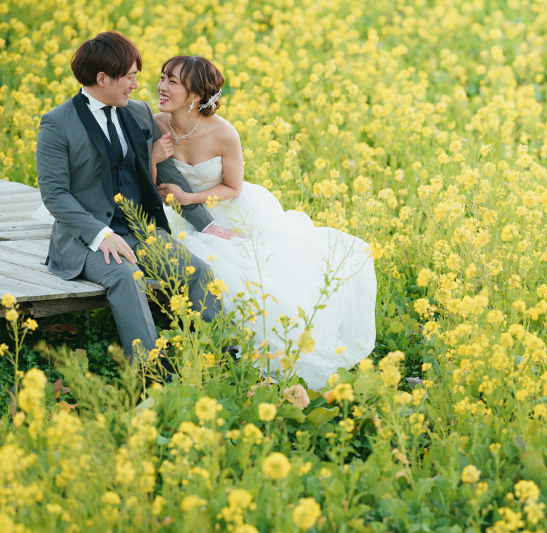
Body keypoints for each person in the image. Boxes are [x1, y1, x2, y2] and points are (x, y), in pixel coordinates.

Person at [153, 55, 377, 390]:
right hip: (177, 212)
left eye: (172, 81)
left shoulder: (224, 133)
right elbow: (150, 179)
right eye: (162, 77)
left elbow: (233, 187)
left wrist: (189, 199)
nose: (161, 86)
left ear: (197, 95)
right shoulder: (156, 123)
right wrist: (154, 158)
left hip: (225, 206)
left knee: (251, 269)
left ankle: (262, 353)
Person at [35, 32, 238, 364]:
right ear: (103, 78)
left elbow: (167, 174)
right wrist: (102, 234)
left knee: (199, 273)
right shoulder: (58, 124)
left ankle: (225, 358)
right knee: (126, 277)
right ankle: (151, 372)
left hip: (142, 230)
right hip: (87, 240)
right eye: (129, 76)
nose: (135, 84)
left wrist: (206, 223)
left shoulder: (140, 113)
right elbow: (54, 194)